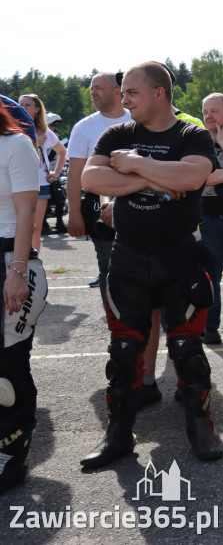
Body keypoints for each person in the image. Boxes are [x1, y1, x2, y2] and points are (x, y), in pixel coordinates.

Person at [79, 62, 222, 467]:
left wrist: (135, 164)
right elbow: (92, 180)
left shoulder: (190, 134)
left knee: (187, 350)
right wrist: (157, 179)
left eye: (131, 92)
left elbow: (193, 178)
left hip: (180, 255)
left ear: (159, 93)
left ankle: (200, 427)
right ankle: (118, 435)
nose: (123, 99)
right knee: (124, 354)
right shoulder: (117, 133)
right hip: (128, 255)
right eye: (122, 92)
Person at [0, 103, 43, 493]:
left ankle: (11, 453)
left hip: (9, 259)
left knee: (7, 366)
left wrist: (17, 271)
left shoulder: (16, 144)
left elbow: (27, 210)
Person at [66, 74, 131, 296]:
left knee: (142, 264)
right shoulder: (84, 127)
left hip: (137, 200)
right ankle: (116, 323)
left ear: (117, 91)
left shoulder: (138, 120)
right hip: (97, 205)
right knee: (108, 267)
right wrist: (74, 213)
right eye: (91, 88)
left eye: (99, 88)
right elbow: (74, 174)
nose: (93, 92)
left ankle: (147, 321)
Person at [198, 93, 223, 345]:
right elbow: (200, 179)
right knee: (211, 276)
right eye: (205, 112)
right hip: (207, 219)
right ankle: (210, 327)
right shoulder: (197, 143)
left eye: (214, 111)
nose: (208, 116)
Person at [18, 94, 67, 253]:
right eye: (21, 104)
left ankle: (33, 264)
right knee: (16, 227)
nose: (23, 107)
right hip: (17, 183)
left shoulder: (44, 132)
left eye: (28, 105)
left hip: (40, 184)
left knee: (35, 228)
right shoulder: (11, 129)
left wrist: (56, 173)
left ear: (37, 109)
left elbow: (62, 152)